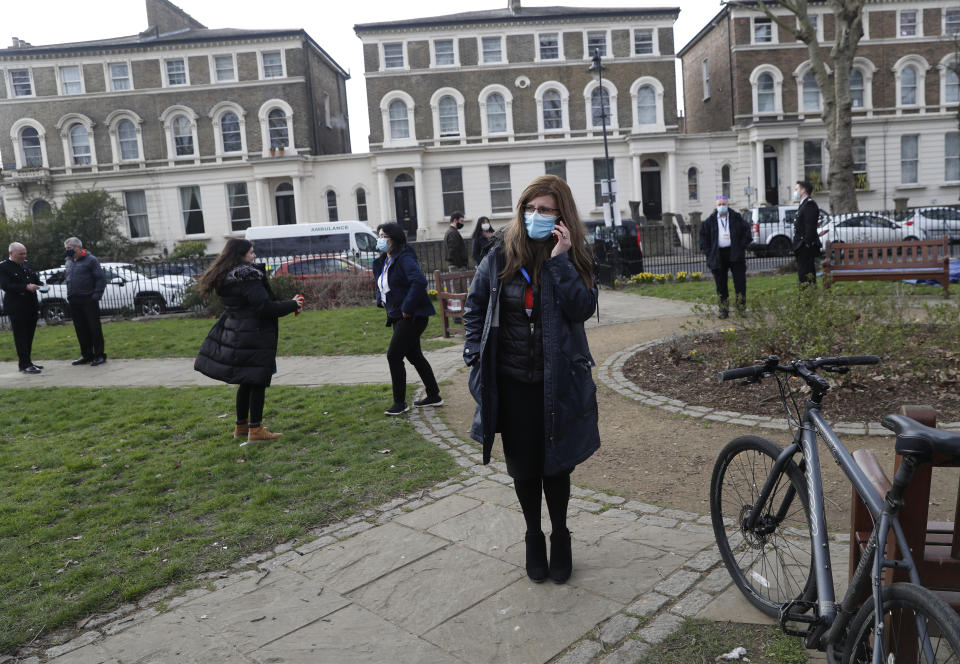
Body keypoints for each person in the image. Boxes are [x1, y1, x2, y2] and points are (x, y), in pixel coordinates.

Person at [463, 174, 599, 585]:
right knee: (523, 468)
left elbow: (582, 309)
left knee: (556, 467)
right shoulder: (498, 256)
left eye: (545, 210)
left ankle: (560, 534)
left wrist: (560, 259)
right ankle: (532, 535)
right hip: (512, 383)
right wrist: (473, 355)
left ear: (562, 217)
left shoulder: (573, 257)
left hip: (556, 382)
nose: (535, 216)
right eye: (530, 208)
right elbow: (474, 309)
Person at [194, 238, 304, 444]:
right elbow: (264, 308)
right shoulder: (248, 276)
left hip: (237, 333)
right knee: (257, 381)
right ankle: (256, 429)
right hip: (254, 334)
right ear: (241, 254)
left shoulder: (226, 276)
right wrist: (293, 304)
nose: (254, 256)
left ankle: (241, 426)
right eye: (251, 252)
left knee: (246, 381)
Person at [373, 222, 442, 416]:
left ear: (393, 239)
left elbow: (419, 281)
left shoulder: (404, 258)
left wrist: (407, 307)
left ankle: (400, 403)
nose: (379, 239)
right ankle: (434, 395)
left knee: (394, 356)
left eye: (383, 236)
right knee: (414, 355)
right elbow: (380, 284)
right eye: (378, 235)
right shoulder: (382, 261)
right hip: (397, 316)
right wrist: (380, 300)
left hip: (412, 316)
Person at [698, 195, 751, 319]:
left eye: (724, 204)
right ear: (716, 206)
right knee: (721, 284)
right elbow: (703, 238)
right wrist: (708, 252)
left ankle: (741, 308)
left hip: (735, 254)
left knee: (740, 283)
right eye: (719, 204)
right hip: (718, 255)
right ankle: (723, 309)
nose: (722, 206)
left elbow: (747, 233)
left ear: (728, 205)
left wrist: (741, 246)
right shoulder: (709, 221)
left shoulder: (737, 218)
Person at [63, 237, 107, 366]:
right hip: (74, 299)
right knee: (80, 329)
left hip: (88, 298)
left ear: (78, 247)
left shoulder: (91, 260)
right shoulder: (68, 261)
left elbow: (100, 279)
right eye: (66, 249)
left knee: (94, 328)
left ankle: (99, 355)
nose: (67, 251)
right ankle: (87, 355)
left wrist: (96, 296)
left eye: (69, 248)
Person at [0, 242, 43, 374]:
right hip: (16, 306)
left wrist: (41, 284)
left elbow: (35, 279)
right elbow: (6, 286)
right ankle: (24, 364)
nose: (24, 256)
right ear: (11, 253)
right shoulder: (4, 267)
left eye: (25, 253)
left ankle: (27, 361)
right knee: (21, 336)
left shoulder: (26, 264)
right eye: (21, 254)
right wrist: (25, 287)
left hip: (31, 304)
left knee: (29, 334)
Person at [792, 180, 821, 285]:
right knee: (803, 274)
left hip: (805, 247)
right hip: (801, 246)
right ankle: (805, 297)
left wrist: (806, 244)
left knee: (806, 275)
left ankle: (808, 297)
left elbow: (810, 226)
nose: (795, 192)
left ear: (803, 190)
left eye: (796, 189)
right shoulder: (803, 204)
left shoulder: (809, 204)